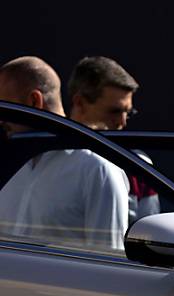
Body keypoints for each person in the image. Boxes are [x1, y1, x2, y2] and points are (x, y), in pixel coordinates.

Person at [0, 56, 128, 252]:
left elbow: (110, 262)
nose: (1, 120)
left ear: (34, 101)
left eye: (6, 108)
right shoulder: (9, 162)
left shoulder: (97, 168)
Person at [68, 56, 157, 223]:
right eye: (114, 111)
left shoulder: (138, 165)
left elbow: (150, 230)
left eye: (128, 113)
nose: (122, 122)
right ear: (79, 103)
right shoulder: (44, 158)